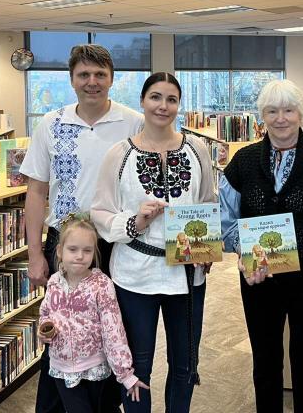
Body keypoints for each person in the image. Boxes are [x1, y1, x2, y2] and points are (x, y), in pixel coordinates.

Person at [21, 44, 144, 413]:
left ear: (112, 79)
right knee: (60, 328)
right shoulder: (51, 123)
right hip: (65, 244)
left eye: (100, 75)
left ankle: (104, 406)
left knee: (110, 330)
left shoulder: (133, 122)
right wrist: (34, 255)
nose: (92, 83)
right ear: (72, 80)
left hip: (115, 241)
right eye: (84, 75)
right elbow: (36, 190)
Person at [90, 72, 217, 413]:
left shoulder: (197, 149)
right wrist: (135, 221)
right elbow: (100, 212)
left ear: (179, 105)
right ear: (143, 102)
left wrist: (207, 249)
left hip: (187, 274)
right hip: (134, 274)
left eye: (171, 99)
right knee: (135, 365)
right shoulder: (119, 155)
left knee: (185, 365)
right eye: (156, 97)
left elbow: (207, 203)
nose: (163, 106)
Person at [220, 79, 303, 413]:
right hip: (258, 279)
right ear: (262, 115)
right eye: (272, 111)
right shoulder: (243, 162)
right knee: (265, 362)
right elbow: (225, 216)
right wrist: (246, 254)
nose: (280, 118)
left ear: (300, 114)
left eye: (288, 110)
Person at [39, 218, 149, 413]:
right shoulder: (54, 283)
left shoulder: (101, 285)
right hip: (62, 369)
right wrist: (45, 329)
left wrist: (125, 374)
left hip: (94, 368)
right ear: (59, 251)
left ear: (94, 252)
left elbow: (113, 331)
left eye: (87, 250)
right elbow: (46, 313)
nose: (80, 256)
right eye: (72, 249)